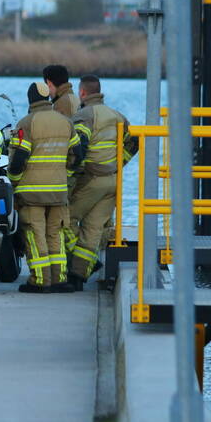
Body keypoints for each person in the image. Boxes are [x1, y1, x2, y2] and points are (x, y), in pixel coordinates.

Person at [7, 81, 81, 293]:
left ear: (30, 99)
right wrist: (64, 177)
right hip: (58, 192)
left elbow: (19, 159)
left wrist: (13, 182)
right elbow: (77, 155)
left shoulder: (26, 123)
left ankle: (40, 280)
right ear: (47, 98)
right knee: (55, 234)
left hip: (31, 193)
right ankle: (59, 279)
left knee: (35, 233)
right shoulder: (66, 122)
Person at [64, 75, 134, 291]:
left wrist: (69, 172)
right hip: (113, 181)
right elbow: (135, 140)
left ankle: (87, 263)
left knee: (63, 220)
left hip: (91, 180)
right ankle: (78, 276)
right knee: (93, 229)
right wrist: (120, 163)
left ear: (82, 93)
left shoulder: (84, 115)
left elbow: (79, 147)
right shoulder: (118, 115)